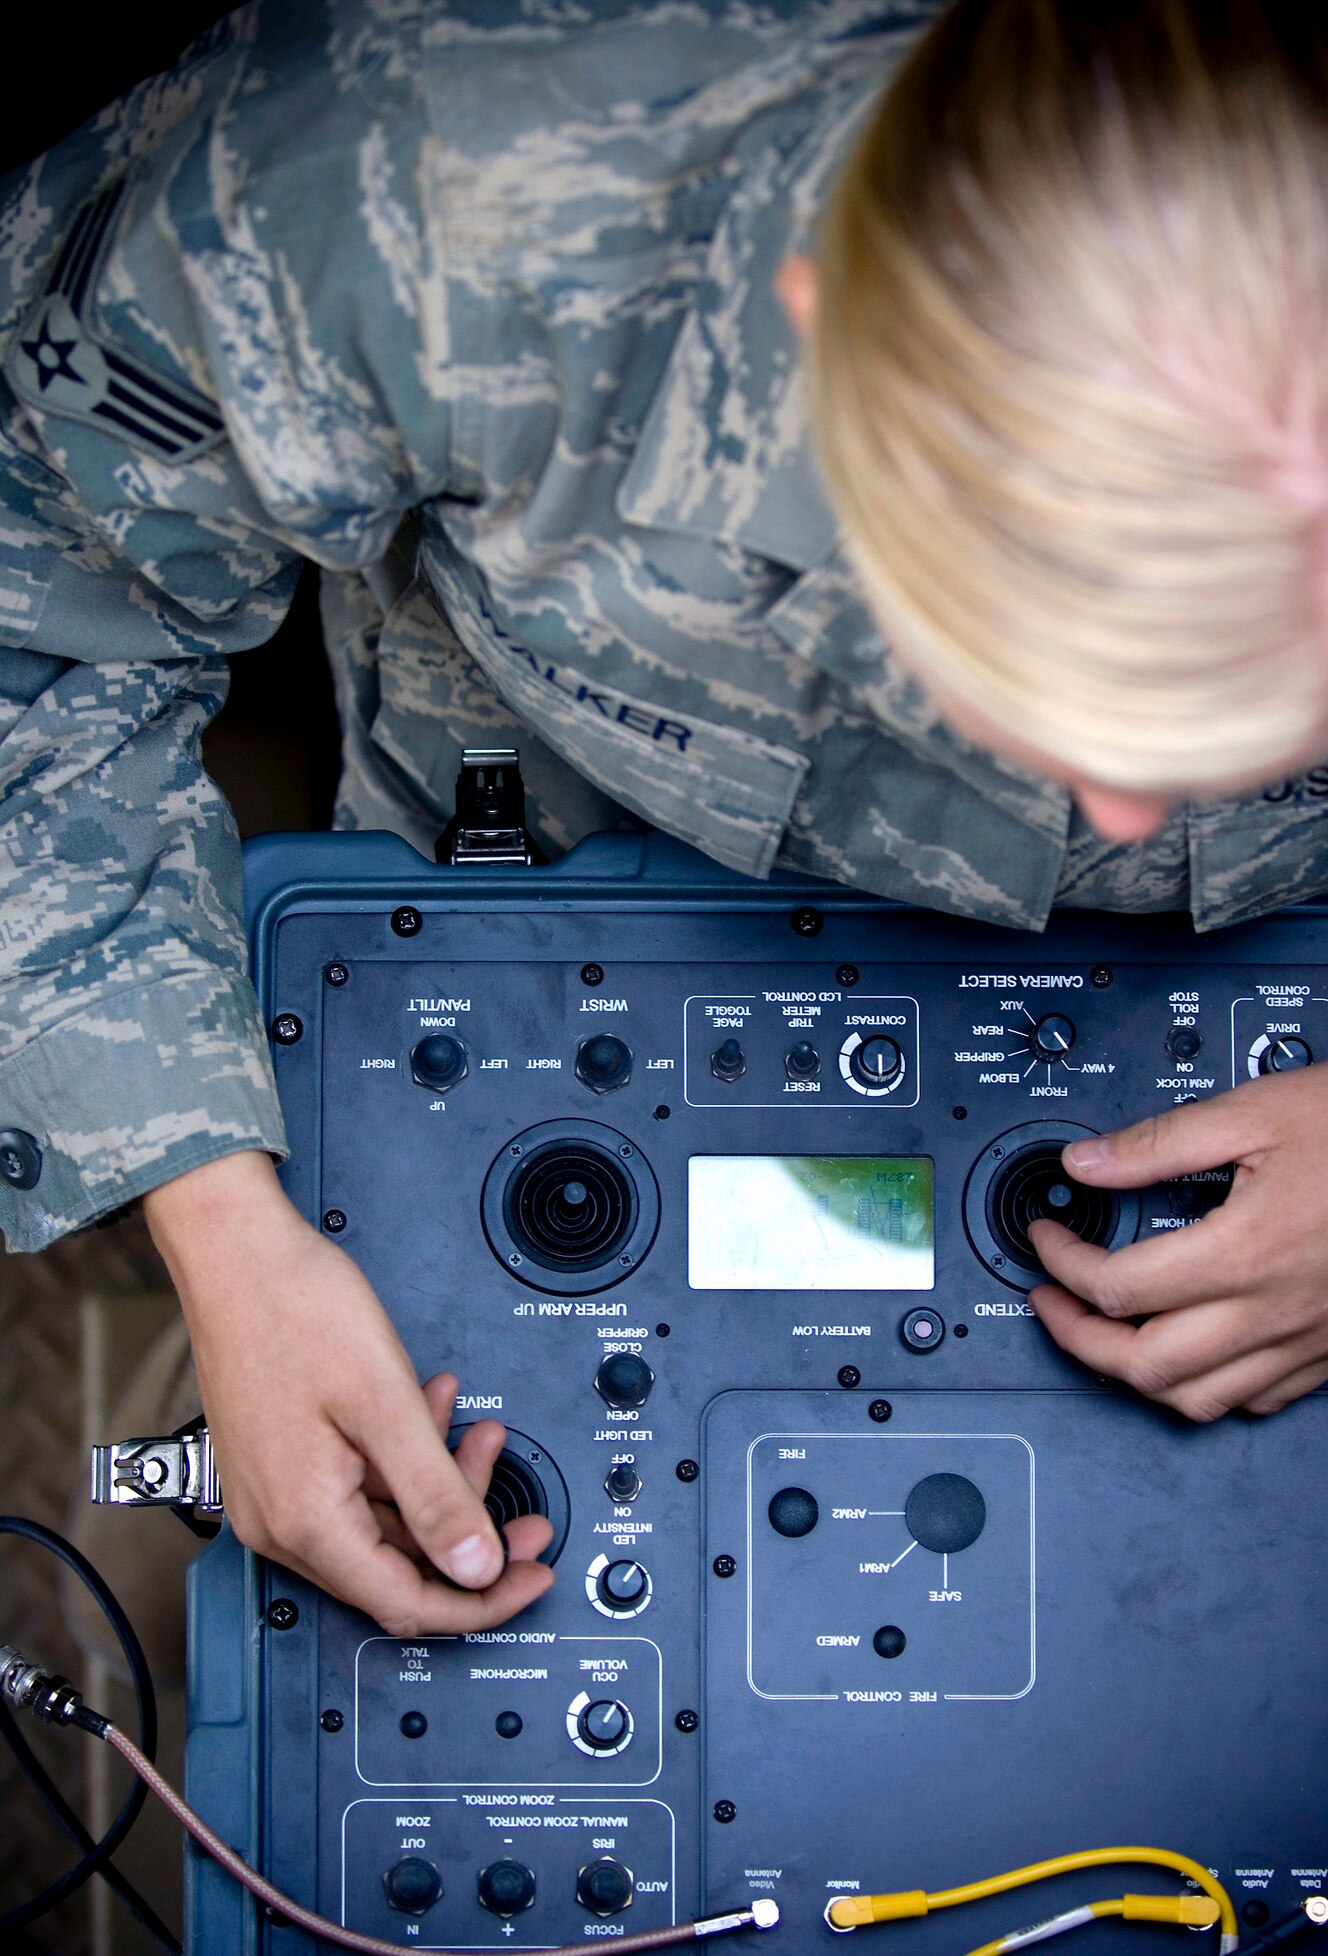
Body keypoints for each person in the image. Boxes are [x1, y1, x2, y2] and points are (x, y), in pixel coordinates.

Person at [2, 0, 1326, 1640]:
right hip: (500, 963)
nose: (1120, 801)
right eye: (1034, 657)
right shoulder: (411, 176)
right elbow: (27, 610)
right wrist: (217, 1227)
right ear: (821, 334)